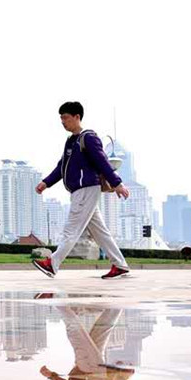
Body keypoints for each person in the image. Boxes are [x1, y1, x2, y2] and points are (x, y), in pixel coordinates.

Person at [32, 101, 131, 279]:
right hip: (79, 191)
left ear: (77, 117)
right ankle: (120, 265)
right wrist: (46, 183)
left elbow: (102, 161)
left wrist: (117, 183)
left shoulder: (88, 138)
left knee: (71, 229)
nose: (63, 122)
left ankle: (52, 263)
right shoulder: (71, 141)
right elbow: (62, 166)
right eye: (61, 118)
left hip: (86, 189)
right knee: (100, 231)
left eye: (66, 118)